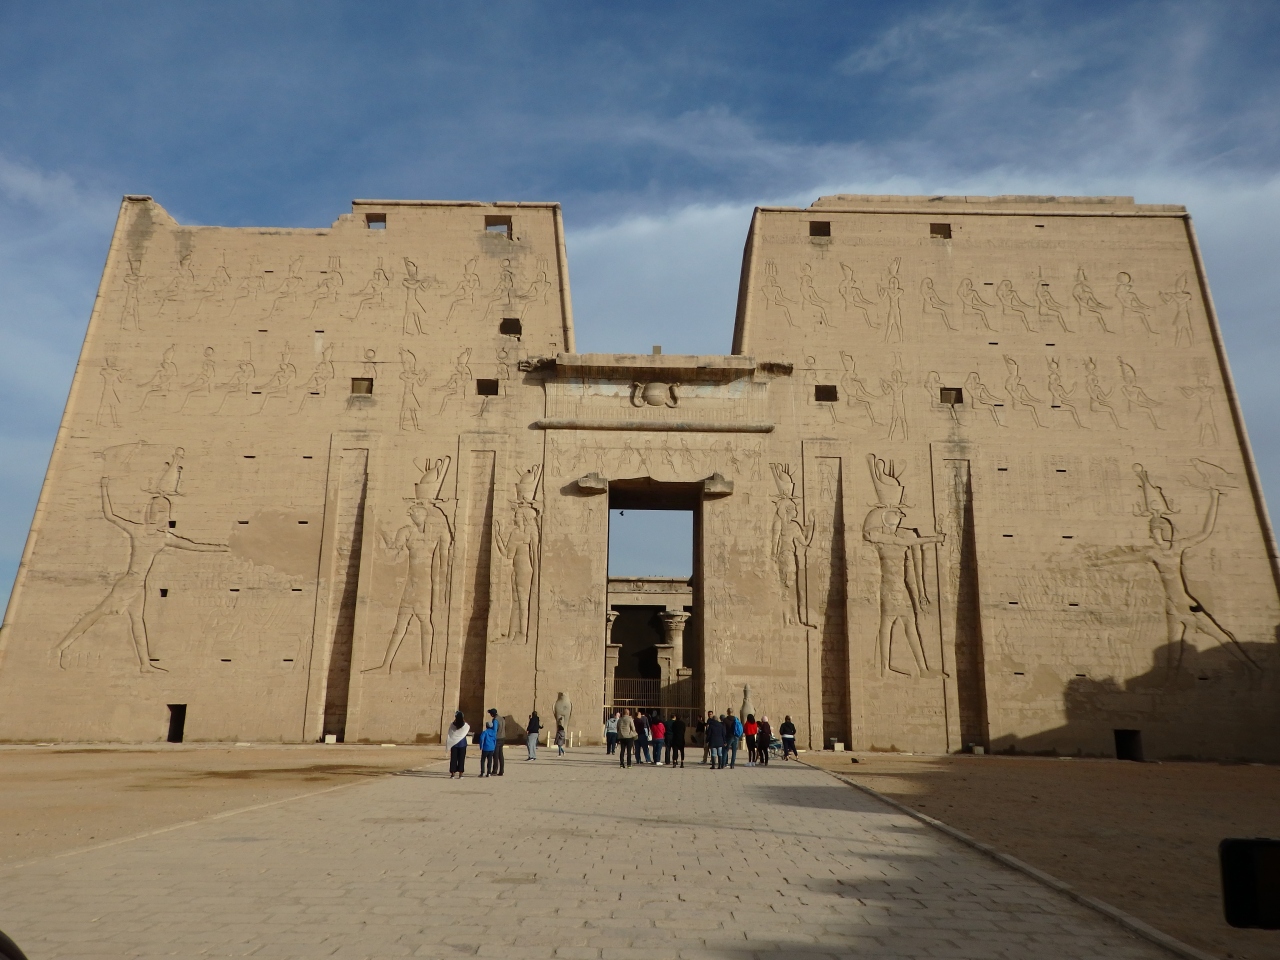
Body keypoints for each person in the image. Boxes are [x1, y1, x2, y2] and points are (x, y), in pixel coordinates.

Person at [446, 711, 470, 778]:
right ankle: (460, 774)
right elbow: (467, 728)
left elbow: (450, 733)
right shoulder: (465, 725)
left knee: (453, 758)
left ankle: (453, 774)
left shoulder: (452, 724)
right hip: (462, 744)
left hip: (454, 743)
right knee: (461, 759)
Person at [479, 708, 499, 776]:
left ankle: (482, 772)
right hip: (491, 748)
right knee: (490, 760)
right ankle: (489, 772)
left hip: (485, 748)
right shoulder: (494, 733)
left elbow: (481, 739)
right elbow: (495, 740)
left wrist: (481, 746)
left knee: (483, 760)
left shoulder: (485, 732)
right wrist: (494, 746)